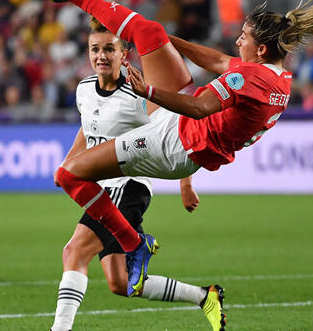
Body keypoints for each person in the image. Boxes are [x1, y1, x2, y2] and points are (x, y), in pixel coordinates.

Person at [39, 0, 313, 298]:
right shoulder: (275, 78)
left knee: (68, 175)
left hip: (174, 144)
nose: (237, 41)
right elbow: (218, 61)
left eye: (244, 38)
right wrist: (165, 43)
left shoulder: (251, 79)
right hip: (182, 130)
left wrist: (149, 92)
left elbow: (200, 108)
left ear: (261, 49)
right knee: (147, 30)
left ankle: (133, 242)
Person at [50, 18, 225, 331]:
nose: (101, 56)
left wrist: (186, 183)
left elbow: (175, 133)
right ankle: (205, 296)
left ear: (124, 54)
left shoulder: (138, 96)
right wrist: (70, 161)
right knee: (120, 282)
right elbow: (87, 125)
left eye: (109, 49)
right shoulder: (84, 89)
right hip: (101, 188)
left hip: (126, 186)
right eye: (94, 49)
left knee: (74, 251)